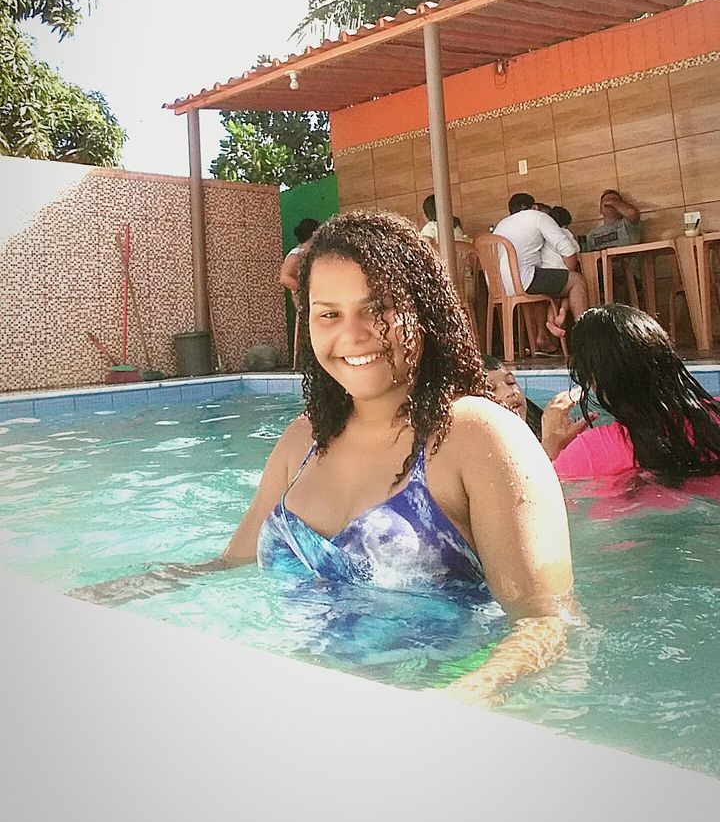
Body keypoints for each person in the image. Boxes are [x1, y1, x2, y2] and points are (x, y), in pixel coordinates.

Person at [72, 209, 574, 705]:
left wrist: (465, 695)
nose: (353, 334)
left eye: (378, 309)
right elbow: (231, 564)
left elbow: (545, 620)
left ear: (423, 313)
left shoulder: (476, 436)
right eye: (329, 313)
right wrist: (103, 597)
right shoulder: (302, 441)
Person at [541, 304, 720, 483]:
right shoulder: (714, 418)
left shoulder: (590, 452)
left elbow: (539, 499)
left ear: (595, 380)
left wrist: (550, 448)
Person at [493, 193, 588, 349]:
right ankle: (586, 340)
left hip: (500, 287)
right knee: (576, 281)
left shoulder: (501, 225)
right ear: (535, 207)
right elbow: (568, 250)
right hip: (525, 280)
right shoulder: (538, 216)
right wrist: (567, 276)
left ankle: (542, 337)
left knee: (543, 285)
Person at [279, 218, 320, 301]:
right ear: (313, 233)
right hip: (305, 300)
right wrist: (304, 290)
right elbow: (284, 278)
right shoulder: (296, 255)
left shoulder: (312, 252)